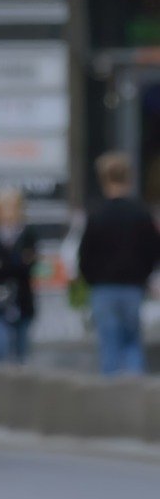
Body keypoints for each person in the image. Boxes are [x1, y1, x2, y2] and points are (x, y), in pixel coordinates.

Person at [77, 150, 160, 376]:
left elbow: (85, 253)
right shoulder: (141, 212)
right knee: (132, 341)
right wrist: (143, 275)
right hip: (133, 285)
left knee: (109, 343)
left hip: (103, 286)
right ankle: (135, 390)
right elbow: (153, 249)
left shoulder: (97, 213)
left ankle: (112, 395)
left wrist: (91, 278)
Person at [0, 186, 37, 364]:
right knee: (1, 346)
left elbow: (29, 265)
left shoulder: (28, 234)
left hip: (23, 299)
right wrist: (16, 262)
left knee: (22, 352)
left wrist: (5, 264)